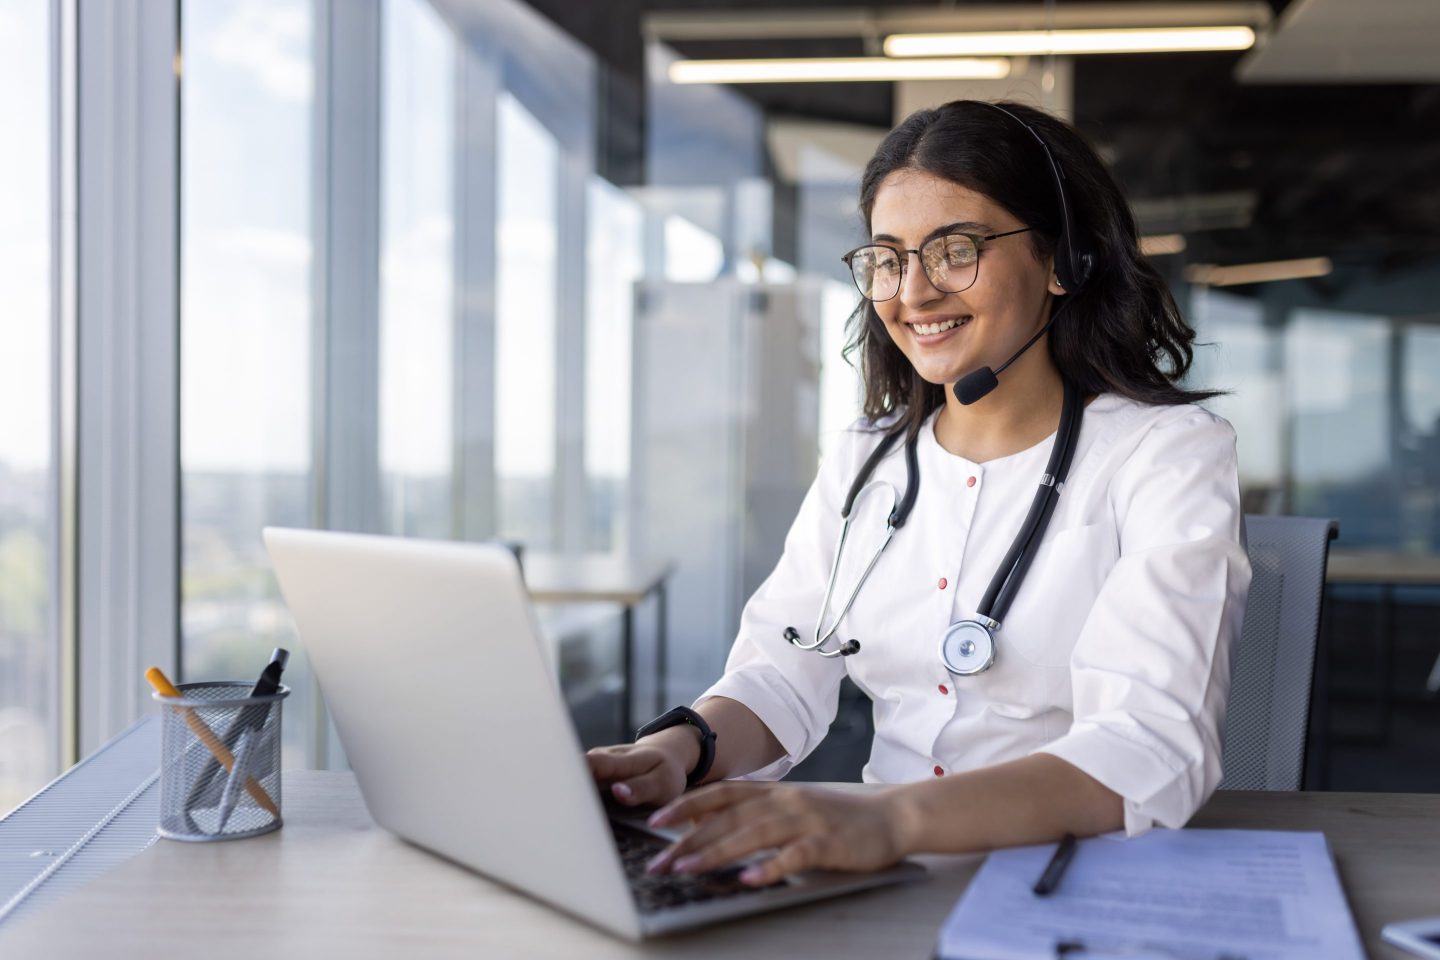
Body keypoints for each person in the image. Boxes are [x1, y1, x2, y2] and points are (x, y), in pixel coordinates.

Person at [586, 99, 1252, 889]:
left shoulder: (1163, 455)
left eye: (955, 250)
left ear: (1062, 261)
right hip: (879, 873)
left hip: (1075, 880)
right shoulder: (866, 461)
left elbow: (1149, 748)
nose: (913, 292)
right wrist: (678, 749)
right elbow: (780, 670)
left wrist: (887, 819)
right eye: (888, 259)